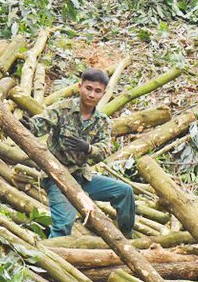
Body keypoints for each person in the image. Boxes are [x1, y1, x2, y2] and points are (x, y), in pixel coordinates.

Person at [22, 68, 135, 238]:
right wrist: (29, 126)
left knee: (125, 192)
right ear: (80, 87)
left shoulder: (102, 121)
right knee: (64, 223)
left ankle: (127, 237)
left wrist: (88, 148)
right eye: (88, 88)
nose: (92, 95)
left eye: (97, 91)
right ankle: (52, 256)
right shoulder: (63, 109)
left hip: (82, 177)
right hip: (57, 178)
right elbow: (42, 123)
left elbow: (104, 150)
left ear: (103, 94)